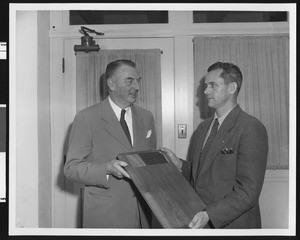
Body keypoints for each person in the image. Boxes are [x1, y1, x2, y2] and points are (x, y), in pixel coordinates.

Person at [161, 62, 268, 229]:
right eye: (205, 86)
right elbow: (204, 174)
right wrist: (180, 165)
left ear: (232, 88)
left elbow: (248, 191)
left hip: (233, 226)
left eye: (213, 85)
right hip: (201, 222)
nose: (205, 91)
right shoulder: (202, 128)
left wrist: (210, 215)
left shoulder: (250, 127)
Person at [64, 59, 156, 228]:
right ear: (111, 84)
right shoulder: (86, 118)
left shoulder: (147, 117)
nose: (137, 87)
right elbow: (71, 168)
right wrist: (106, 169)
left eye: (138, 81)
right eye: (130, 81)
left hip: (143, 214)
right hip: (105, 216)